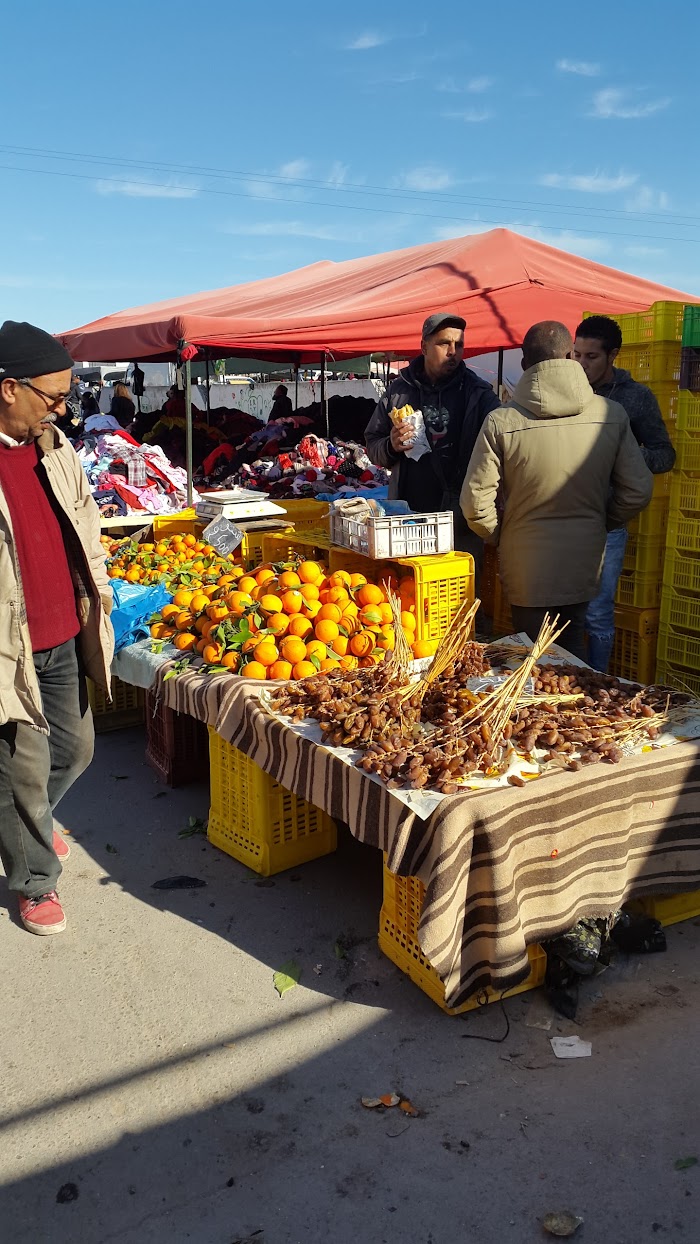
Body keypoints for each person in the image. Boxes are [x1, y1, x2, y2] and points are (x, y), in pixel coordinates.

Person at [0, 321, 114, 935]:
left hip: (64, 631)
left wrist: (99, 591)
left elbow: (86, 520)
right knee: (19, 770)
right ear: (9, 388)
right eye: (55, 396)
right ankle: (33, 880)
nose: (63, 410)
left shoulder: (56, 448)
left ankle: (31, 823)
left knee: (76, 749)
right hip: (6, 645)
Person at [460, 321, 653, 660]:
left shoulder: (502, 421)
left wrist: (502, 535)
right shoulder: (611, 414)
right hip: (584, 558)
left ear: (524, 363)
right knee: (572, 653)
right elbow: (637, 489)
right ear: (570, 356)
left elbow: (475, 505)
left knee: (531, 661)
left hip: (525, 565)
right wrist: (599, 522)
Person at [573, 315, 676, 671]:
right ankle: (560, 685)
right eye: (576, 355)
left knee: (598, 612)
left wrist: (625, 453)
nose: (581, 364)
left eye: (591, 357)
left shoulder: (636, 397)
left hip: (608, 523)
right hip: (562, 517)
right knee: (560, 608)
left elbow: (665, 455)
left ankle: (596, 684)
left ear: (613, 355)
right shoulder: (565, 390)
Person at [364, 313, 500, 572]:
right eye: (444, 343)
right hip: (409, 518)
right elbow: (373, 444)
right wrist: (391, 445)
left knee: (460, 586)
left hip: (460, 520)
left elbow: (502, 438)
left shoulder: (477, 392)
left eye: (459, 345)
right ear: (424, 347)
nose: (453, 352)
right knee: (412, 587)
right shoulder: (399, 392)